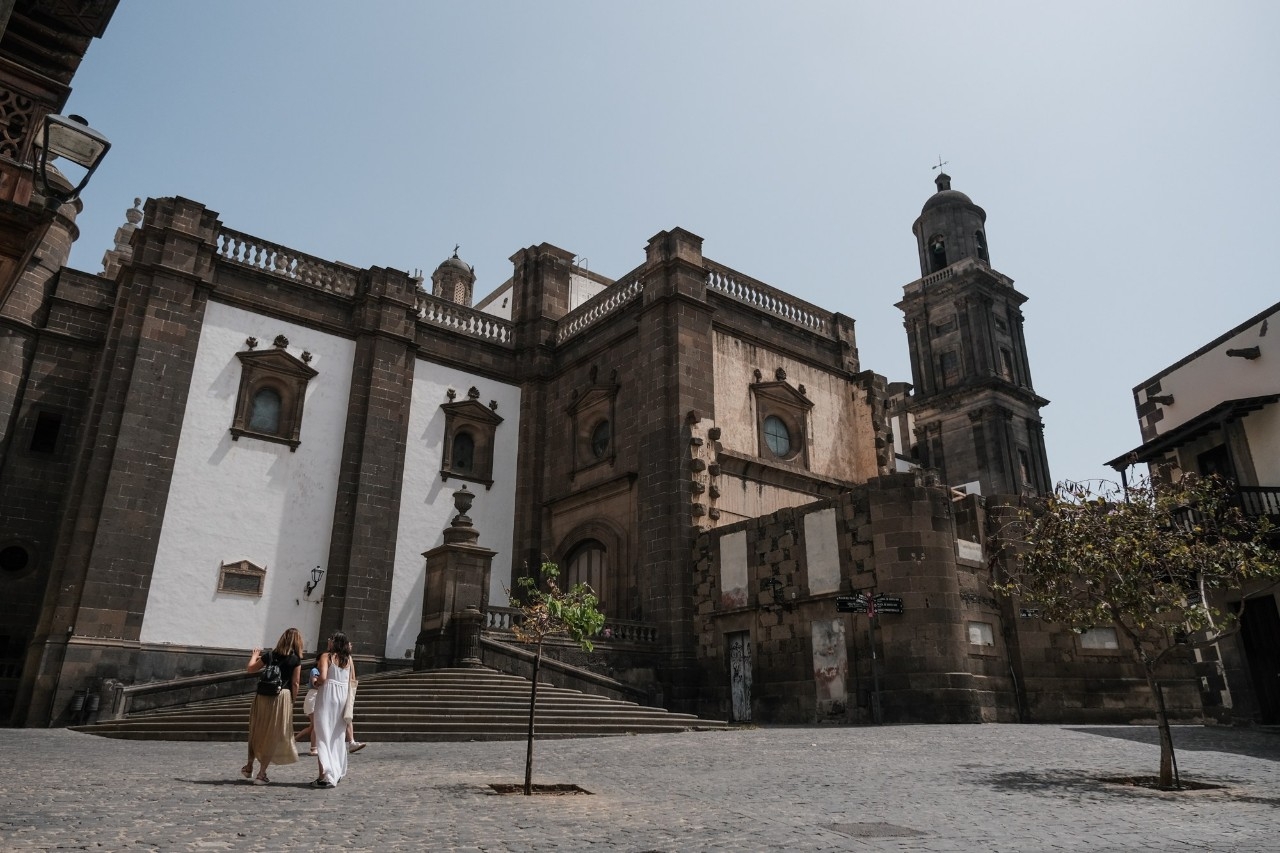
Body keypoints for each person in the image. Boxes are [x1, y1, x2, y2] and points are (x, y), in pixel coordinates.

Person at [241, 627, 302, 785]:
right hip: (281, 697)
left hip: (262, 696)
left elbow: (250, 669)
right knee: (271, 736)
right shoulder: (295, 659)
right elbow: (295, 683)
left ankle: (249, 766)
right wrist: (293, 701)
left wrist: (254, 656)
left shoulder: (269, 655)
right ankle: (261, 775)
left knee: (257, 731)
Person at [312, 632, 356, 788]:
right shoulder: (348, 659)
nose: (328, 642)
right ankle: (336, 772)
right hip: (342, 696)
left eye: (330, 640)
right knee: (337, 735)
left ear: (334, 642)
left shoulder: (327, 657)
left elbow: (323, 677)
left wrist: (315, 682)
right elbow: (352, 680)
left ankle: (323, 776)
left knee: (323, 733)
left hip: (328, 696)